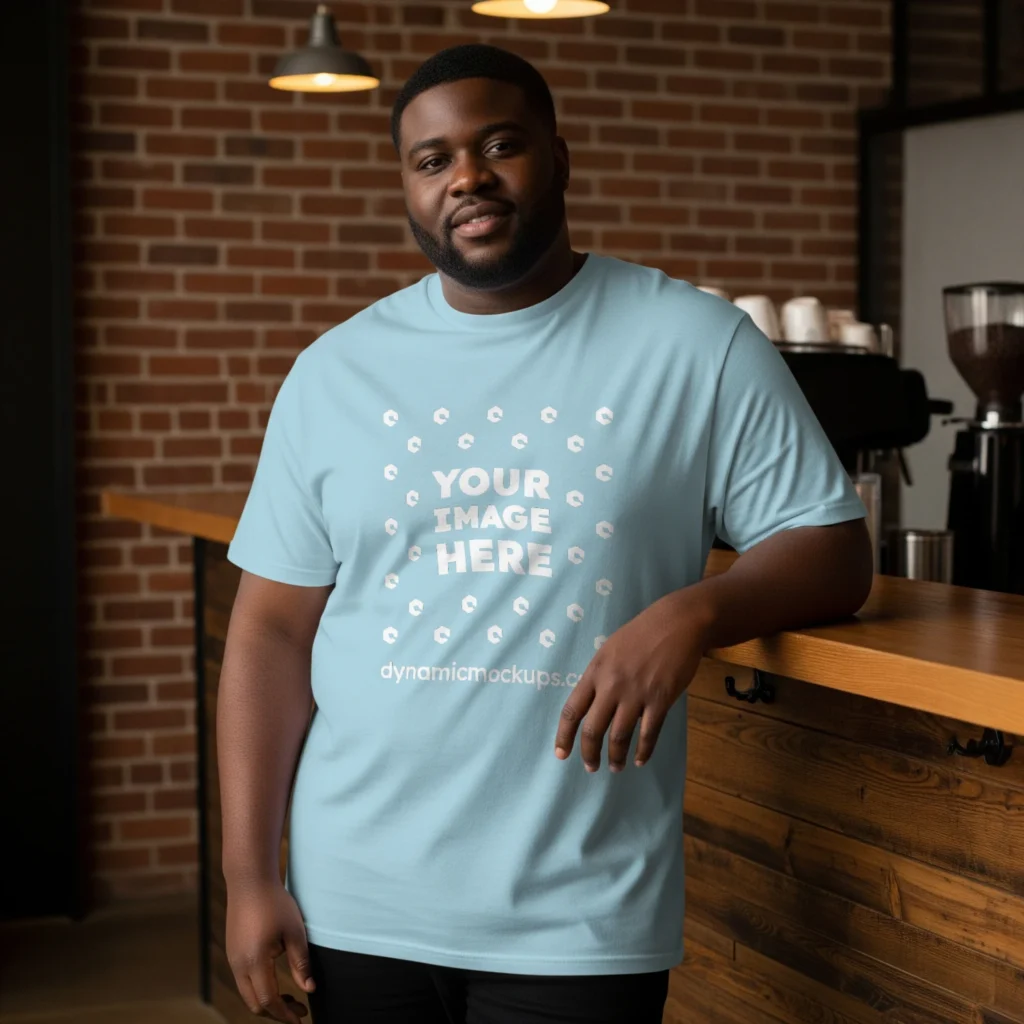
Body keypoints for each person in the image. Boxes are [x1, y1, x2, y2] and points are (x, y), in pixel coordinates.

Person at [218, 43, 873, 1024]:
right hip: (355, 895)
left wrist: (692, 612)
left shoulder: (691, 343)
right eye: (431, 159)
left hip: (579, 907)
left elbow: (832, 547)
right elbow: (271, 630)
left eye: (498, 144)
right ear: (407, 185)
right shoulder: (333, 372)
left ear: (558, 158)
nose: (467, 176)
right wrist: (246, 875)